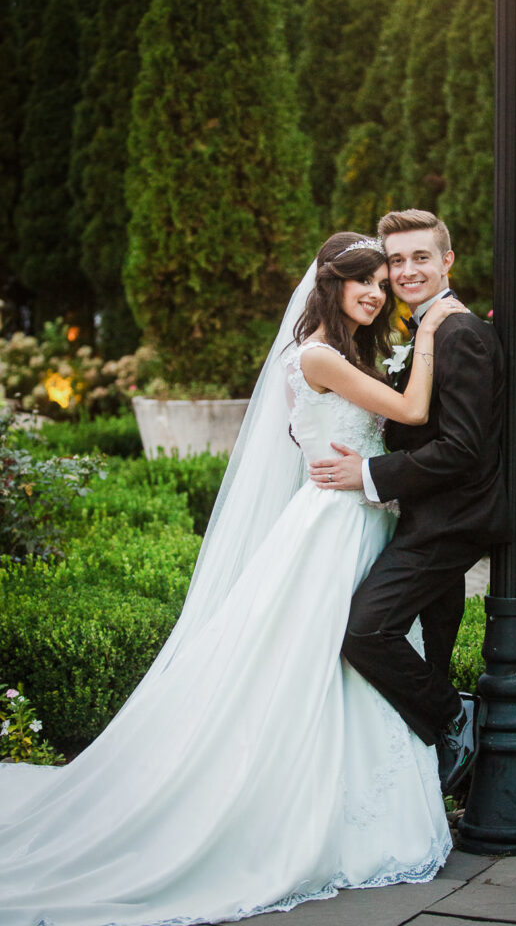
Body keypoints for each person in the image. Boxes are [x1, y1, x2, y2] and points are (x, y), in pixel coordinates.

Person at [0, 232, 463, 926]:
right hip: (335, 527)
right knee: (326, 660)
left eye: (380, 281)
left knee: (350, 664)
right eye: (360, 281)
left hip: (356, 518)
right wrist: (429, 333)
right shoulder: (316, 354)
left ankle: (363, 810)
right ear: (330, 285)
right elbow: (411, 413)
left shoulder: (335, 352)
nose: (375, 291)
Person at [309, 209, 510, 795]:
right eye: (396, 260)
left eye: (420, 256)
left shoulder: (461, 332)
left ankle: (454, 716)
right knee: (431, 641)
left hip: (452, 520)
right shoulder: (421, 330)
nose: (406, 270)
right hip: (419, 515)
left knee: (367, 630)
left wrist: (368, 472)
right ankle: (424, 786)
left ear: (447, 260)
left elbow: (463, 450)